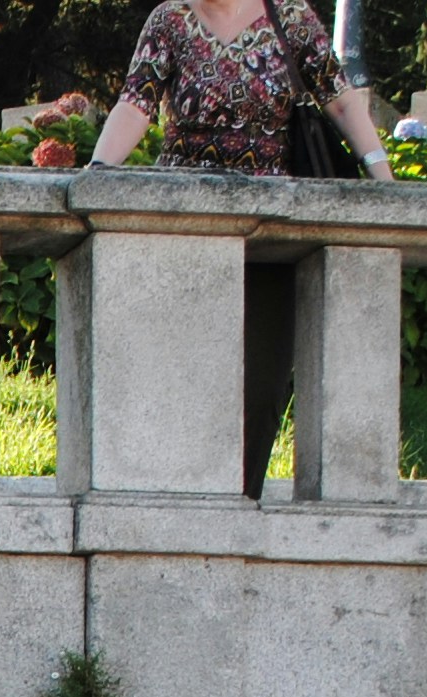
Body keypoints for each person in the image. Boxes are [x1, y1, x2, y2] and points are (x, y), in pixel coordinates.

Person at [87, 0, 395, 498]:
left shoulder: (290, 17)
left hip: (272, 234)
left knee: (262, 385)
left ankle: (241, 497)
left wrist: (385, 179)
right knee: (179, 376)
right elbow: (134, 103)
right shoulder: (170, 21)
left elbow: (339, 100)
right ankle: (170, 493)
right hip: (184, 235)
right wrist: (97, 174)